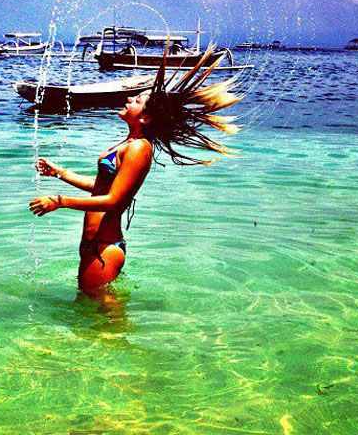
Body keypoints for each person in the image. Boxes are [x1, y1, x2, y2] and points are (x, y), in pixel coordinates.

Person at [29, 47, 242, 292]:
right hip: (94, 244)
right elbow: (103, 187)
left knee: (106, 317)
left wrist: (59, 201)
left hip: (104, 247)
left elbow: (113, 200)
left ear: (145, 118)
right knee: (94, 314)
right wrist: (60, 173)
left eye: (137, 100)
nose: (129, 99)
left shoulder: (140, 148)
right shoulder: (126, 144)